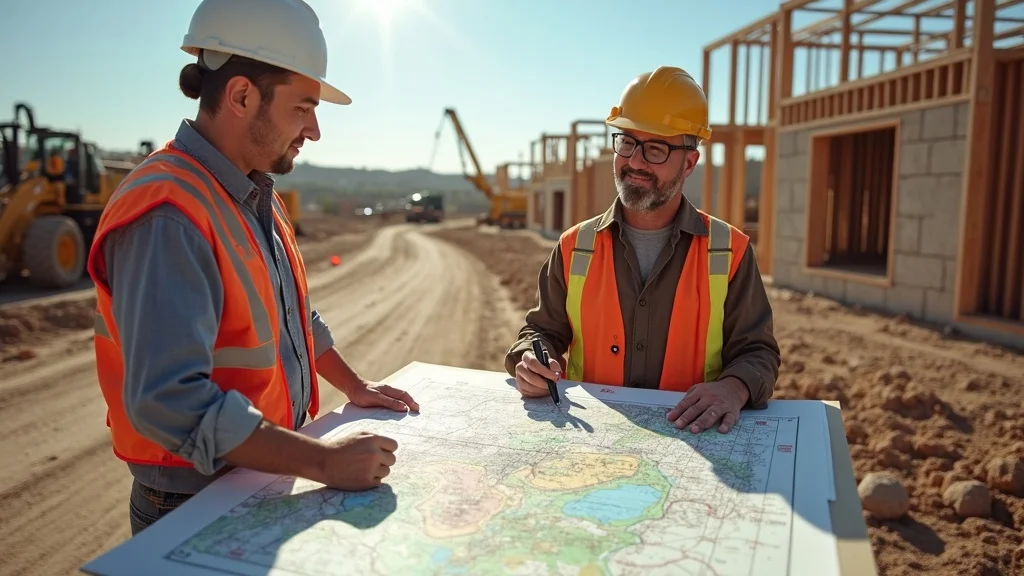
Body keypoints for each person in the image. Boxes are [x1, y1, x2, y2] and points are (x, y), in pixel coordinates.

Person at [87, 0, 417, 536]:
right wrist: (323, 461)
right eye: (303, 107)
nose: (314, 130)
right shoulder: (170, 213)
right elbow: (170, 402)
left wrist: (353, 385)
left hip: (254, 473)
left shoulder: (251, 194)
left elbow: (291, 315)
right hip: (190, 502)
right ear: (242, 95)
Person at [505, 66, 780, 435]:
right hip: (594, 442)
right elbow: (541, 331)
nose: (635, 161)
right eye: (628, 142)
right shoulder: (574, 247)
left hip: (695, 443)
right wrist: (531, 358)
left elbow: (757, 352)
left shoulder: (729, 252)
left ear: (689, 163)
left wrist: (734, 388)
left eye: (655, 148)